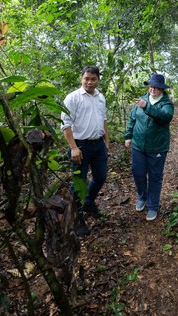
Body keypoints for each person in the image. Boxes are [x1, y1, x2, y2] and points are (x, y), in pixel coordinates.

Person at [61, 66, 110, 236]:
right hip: (80, 146)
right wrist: (73, 147)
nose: (89, 82)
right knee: (79, 184)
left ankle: (89, 202)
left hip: (98, 145)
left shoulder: (100, 97)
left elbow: (103, 119)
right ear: (81, 78)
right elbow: (65, 125)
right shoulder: (72, 98)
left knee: (101, 177)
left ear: (98, 80)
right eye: (86, 78)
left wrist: (106, 140)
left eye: (93, 79)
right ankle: (77, 218)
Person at [124, 73, 174, 221]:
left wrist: (147, 108)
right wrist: (128, 136)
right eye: (151, 86)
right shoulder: (142, 99)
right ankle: (142, 196)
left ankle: (153, 206)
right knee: (138, 172)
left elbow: (165, 117)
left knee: (155, 177)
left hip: (157, 147)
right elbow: (133, 118)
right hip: (138, 146)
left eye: (156, 87)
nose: (153, 89)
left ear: (161, 89)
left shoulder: (166, 103)